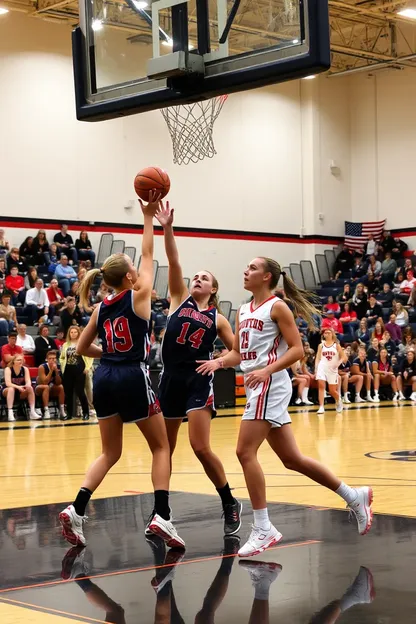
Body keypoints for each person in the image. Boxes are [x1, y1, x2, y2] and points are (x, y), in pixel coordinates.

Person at [198, 257, 373, 557]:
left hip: (271, 384)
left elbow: (296, 349)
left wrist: (267, 370)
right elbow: (240, 354)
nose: (245, 270)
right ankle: (353, 495)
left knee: (244, 452)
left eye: (251, 268)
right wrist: (219, 361)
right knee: (292, 459)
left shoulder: (277, 307)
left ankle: (263, 527)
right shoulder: (242, 310)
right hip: (259, 384)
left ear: (267, 277)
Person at [59, 194, 184, 550]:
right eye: (134, 267)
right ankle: (162, 515)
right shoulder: (138, 294)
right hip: (132, 374)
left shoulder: (101, 306)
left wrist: (109, 352)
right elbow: (149, 254)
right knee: (161, 447)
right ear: (130, 275)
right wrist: (148, 218)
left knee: (109, 452)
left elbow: (82, 348)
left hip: (103, 376)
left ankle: (77, 508)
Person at [154, 202, 241, 536]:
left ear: (214, 289)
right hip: (170, 379)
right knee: (165, 449)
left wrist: (218, 362)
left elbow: (237, 354)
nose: (197, 279)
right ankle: (161, 513)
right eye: (196, 276)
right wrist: (167, 228)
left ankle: (229, 500)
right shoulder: (178, 299)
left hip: (198, 381)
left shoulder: (217, 318)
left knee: (200, 447)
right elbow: (174, 261)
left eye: (204, 278)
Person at [59, 326, 92, 422]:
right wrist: (62, 365)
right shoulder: (65, 345)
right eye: (71, 332)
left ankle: (86, 413)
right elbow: (61, 357)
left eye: (75, 332)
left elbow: (90, 356)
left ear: (78, 333)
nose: (73, 334)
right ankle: (69, 414)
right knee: (68, 393)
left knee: (80, 391)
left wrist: (87, 367)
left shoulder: (82, 343)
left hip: (79, 368)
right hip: (68, 369)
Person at [2, 354, 41, 422]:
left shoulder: (25, 369)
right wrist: (18, 387)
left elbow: (28, 381)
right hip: (7, 390)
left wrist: (27, 386)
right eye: (18, 360)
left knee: (30, 388)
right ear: (13, 361)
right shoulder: (8, 369)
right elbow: (8, 383)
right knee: (11, 389)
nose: (20, 361)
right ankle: (10, 412)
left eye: (21, 360)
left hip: (20, 390)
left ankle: (32, 412)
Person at [314, 329, 345, 415]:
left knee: (332, 391)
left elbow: (343, 357)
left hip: (332, 369)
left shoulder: (336, 345)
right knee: (321, 386)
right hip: (322, 367)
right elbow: (318, 358)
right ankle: (321, 407)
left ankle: (338, 400)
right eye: (325, 333)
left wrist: (338, 364)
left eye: (328, 332)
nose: (326, 334)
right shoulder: (321, 345)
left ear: (332, 334)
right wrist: (316, 369)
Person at [36, 350, 66, 420]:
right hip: (39, 388)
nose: (52, 360)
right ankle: (46, 411)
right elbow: (45, 382)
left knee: (61, 387)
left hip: (51, 388)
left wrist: (56, 372)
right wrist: (51, 371)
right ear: (46, 359)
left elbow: (58, 382)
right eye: (50, 358)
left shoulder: (58, 367)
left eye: (54, 358)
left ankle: (62, 410)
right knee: (46, 387)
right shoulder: (42, 367)